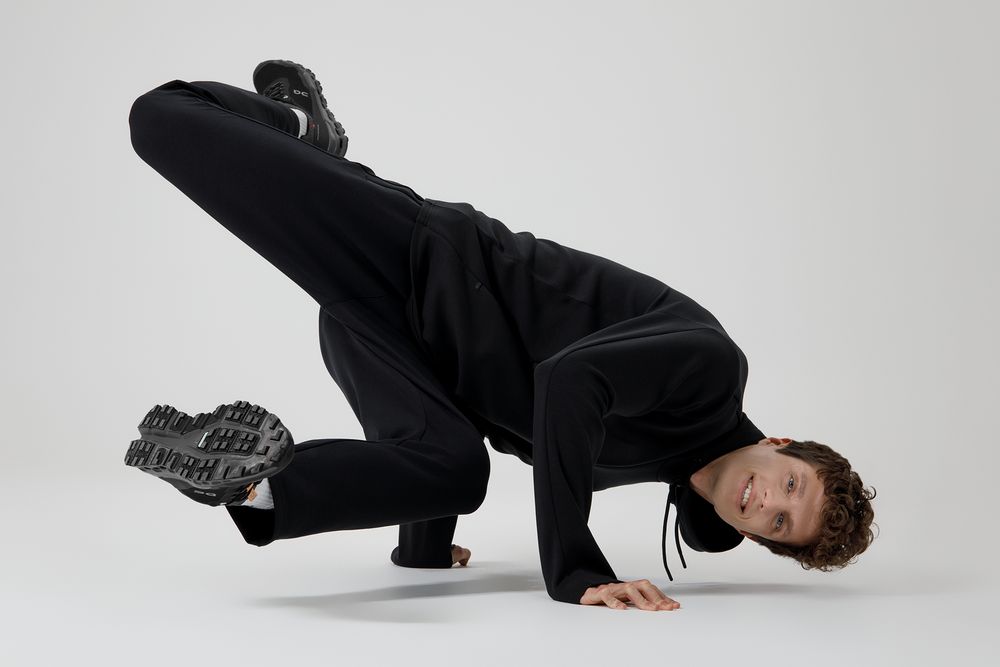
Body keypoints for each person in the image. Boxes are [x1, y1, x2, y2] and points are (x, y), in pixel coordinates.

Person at [124, 59, 877, 611]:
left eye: (780, 524)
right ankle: (302, 129)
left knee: (457, 468)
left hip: (404, 349)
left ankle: (251, 485)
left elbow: (488, 411)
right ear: (783, 444)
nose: (766, 502)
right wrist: (577, 571)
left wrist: (423, 550)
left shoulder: (662, 459)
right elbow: (568, 383)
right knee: (162, 118)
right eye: (790, 485)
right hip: (418, 260)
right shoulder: (709, 370)